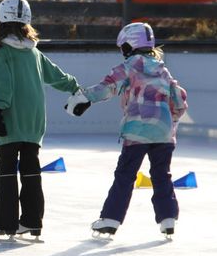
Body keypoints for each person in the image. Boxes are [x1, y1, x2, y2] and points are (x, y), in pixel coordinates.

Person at [65, 22, 188, 238]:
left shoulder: (130, 66)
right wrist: (171, 121)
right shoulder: (162, 69)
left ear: (130, 45)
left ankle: (110, 220)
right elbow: (179, 101)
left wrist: (83, 97)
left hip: (138, 130)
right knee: (162, 175)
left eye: (123, 47)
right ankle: (168, 219)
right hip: (163, 133)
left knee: (125, 175)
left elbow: (107, 87)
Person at [0, 0, 81, 239]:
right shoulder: (34, 51)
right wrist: (74, 87)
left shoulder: (0, 50)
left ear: (0, 21)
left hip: (11, 115)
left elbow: (3, 83)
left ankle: (6, 223)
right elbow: (55, 75)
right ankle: (32, 221)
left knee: (7, 167)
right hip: (36, 119)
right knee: (31, 169)